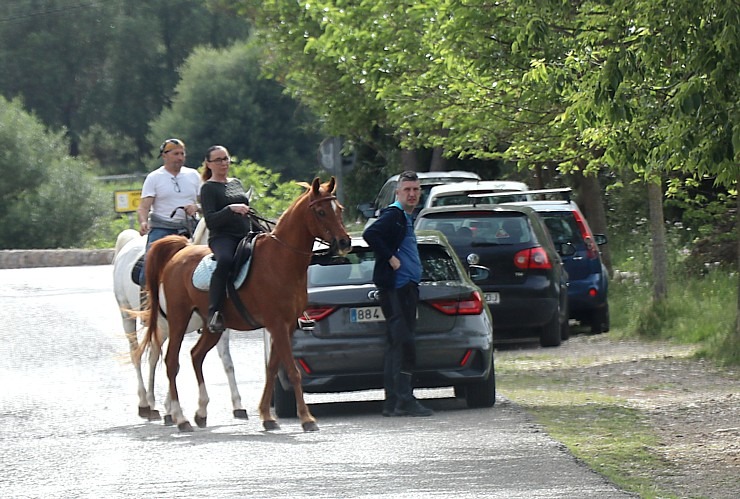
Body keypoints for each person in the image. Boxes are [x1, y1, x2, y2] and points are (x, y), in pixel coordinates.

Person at [363, 171, 433, 417]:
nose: (412, 194)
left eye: (415, 189)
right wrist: (390, 258)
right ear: (398, 192)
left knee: (397, 344)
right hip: (397, 288)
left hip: (407, 287)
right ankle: (403, 399)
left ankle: (393, 402)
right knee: (404, 343)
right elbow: (370, 234)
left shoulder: (405, 217)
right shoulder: (394, 214)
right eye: (407, 190)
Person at [199, 145, 252, 335]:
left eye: (226, 158)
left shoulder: (236, 183)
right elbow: (211, 220)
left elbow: (247, 211)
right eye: (218, 160)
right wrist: (230, 209)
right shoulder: (208, 188)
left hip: (246, 234)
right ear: (208, 164)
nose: (224, 163)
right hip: (223, 237)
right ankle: (214, 311)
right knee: (226, 261)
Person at [137, 138, 201, 285]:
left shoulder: (193, 175)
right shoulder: (154, 178)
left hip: (191, 227)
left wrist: (196, 207)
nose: (180, 158)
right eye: (176, 154)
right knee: (150, 263)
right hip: (163, 228)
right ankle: (145, 298)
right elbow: (144, 206)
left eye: (182, 154)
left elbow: (205, 202)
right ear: (164, 156)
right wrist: (143, 222)